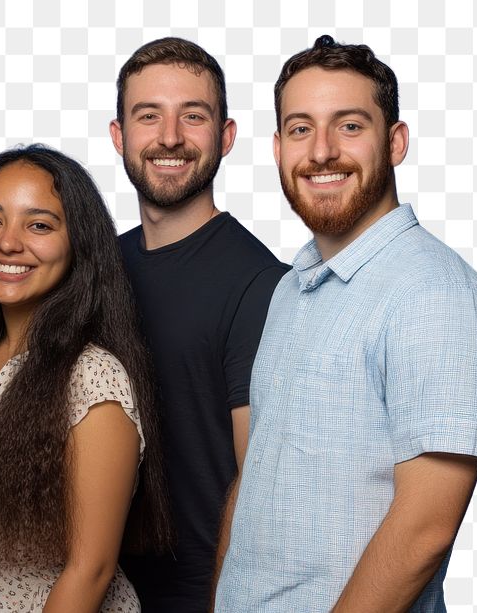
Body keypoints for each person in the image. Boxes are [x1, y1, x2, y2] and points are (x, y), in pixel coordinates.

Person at [214, 35, 477, 611]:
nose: (322, 151)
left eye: (350, 126)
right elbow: (256, 483)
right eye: (301, 129)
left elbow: (424, 530)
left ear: (396, 141)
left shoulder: (437, 295)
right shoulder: (290, 288)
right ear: (278, 148)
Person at [0, 144, 171, 612]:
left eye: (39, 224)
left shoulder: (93, 379)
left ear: (78, 244)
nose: (8, 242)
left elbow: (92, 571)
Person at [107, 37, 289, 610]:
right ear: (119, 136)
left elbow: (261, 484)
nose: (169, 138)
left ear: (227, 136)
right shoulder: (97, 270)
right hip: (97, 587)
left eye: (193, 116)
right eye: (148, 116)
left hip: (201, 596)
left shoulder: (260, 286)